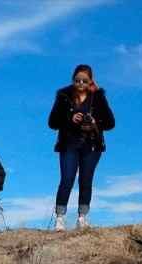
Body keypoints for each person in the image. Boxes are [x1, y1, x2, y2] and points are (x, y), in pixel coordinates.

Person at [47, 64, 115, 231]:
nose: (80, 83)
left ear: (91, 81)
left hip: (91, 145)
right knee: (67, 179)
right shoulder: (63, 96)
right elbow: (52, 122)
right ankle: (60, 218)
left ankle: (82, 218)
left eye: (84, 80)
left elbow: (110, 123)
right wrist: (70, 117)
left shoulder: (97, 97)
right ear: (73, 80)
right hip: (69, 143)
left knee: (86, 180)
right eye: (77, 80)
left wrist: (94, 117)